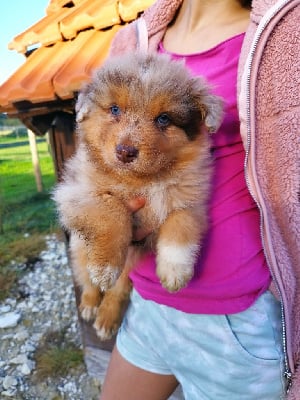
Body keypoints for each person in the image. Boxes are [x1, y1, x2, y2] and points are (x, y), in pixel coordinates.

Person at [99, 0, 300, 399]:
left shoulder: (285, 30)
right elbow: (100, 149)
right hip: (148, 302)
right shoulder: (132, 40)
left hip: (234, 322)